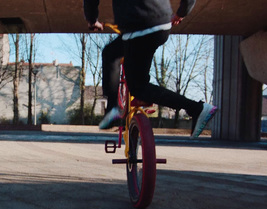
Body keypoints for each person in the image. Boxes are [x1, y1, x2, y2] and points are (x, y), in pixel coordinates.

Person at [83, 0, 217, 138]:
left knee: (138, 88)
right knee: (111, 53)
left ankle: (196, 108)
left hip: (136, 28)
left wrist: (92, 20)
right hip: (161, 24)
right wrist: (181, 13)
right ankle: (114, 108)